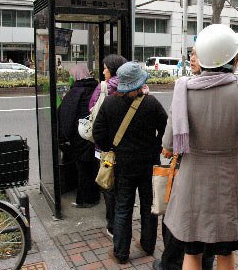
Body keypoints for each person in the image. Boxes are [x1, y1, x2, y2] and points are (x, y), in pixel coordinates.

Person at [162, 24, 238, 270]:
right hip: (229, 182)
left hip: (192, 182)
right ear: (233, 59)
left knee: (192, 252)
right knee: (226, 252)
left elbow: (168, 143)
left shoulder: (183, 91)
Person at [93, 62, 168, 264]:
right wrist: (156, 145)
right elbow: (166, 128)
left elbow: (97, 134)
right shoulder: (151, 103)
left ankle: (121, 253)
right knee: (148, 205)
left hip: (122, 165)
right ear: (139, 83)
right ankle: (147, 244)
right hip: (148, 163)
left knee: (122, 207)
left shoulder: (109, 103)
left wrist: (113, 147)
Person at [152, 46, 215, 270]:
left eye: (197, 54)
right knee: (208, 221)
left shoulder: (185, 89)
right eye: (191, 54)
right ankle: (205, 263)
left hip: (187, 166)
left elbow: (168, 144)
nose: (192, 58)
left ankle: (170, 263)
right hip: (218, 172)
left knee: (178, 219)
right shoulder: (235, 88)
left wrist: (170, 147)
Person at [88, 54, 128, 238]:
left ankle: (112, 225)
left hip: (104, 150)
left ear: (111, 69)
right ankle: (122, 224)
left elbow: (91, 109)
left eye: (105, 68)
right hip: (124, 147)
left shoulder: (103, 87)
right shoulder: (131, 87)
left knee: (107, 184)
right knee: (122, 186)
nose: (103, 71)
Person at [58, 64, 100, 208]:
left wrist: (65, 137)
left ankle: (85, 199)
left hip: (79, 136)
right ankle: (95, 195)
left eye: (71, 75)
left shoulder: (75, 92)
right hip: (94, 134)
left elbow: (66, 116)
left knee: (82, 169)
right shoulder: (96, 87)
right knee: (93, 165)